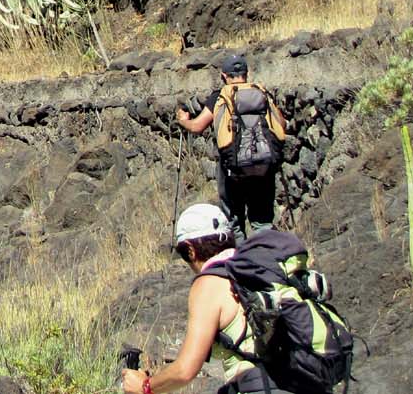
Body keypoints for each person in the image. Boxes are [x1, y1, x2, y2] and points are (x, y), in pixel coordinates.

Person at [121, 204, 287, 394]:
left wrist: (145, 386)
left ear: (191, 250)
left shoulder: (210, 283)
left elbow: (185, 371)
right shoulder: (263, 270)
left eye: (184, 254)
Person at [176, 54, 288, 241]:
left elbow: (197, 127)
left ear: (223, 76)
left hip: (232, 169)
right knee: (262, 222)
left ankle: (241, 262)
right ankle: (266, 260)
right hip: (263, 167)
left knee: (234, 222)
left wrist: (183, 121)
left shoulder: (220, 97)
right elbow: (281, 125)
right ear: (246, 74)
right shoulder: (262, 93)